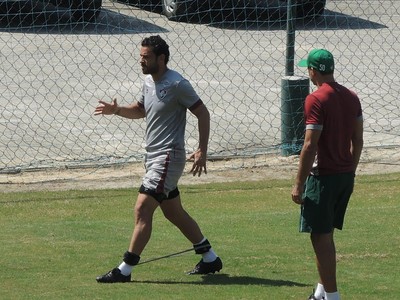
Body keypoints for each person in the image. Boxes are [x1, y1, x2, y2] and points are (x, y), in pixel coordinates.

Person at [94, 35, 222, 283]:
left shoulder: (177, 84)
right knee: (174, 212)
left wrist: (202, 149)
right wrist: (117, 110)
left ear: (161, 59)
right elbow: (141, 110)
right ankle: (210, 257)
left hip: (168, 158)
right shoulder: (148, 82)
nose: (140, 61)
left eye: (146, 57)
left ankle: (125, 269)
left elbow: (202, 112)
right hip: (153, 158)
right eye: (140, 56)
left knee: (142, 208)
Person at [291, 49, 364, 300]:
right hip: (345, 176)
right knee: (326, 232)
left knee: (320, 236)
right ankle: (322, 290)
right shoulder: (352, 97)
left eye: (308, 69)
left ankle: (332, 296)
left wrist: (298, 184)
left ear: (314, 70)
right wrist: (350, 171)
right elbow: (358, 140)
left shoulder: (316, 99)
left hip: (323, 178)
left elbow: (310, 145)